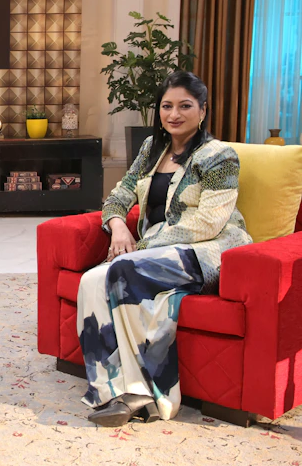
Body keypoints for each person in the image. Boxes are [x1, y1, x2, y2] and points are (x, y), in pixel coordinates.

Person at [77, 71, 251, 427]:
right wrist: (118, 225)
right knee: (92, 281)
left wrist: (139, 246)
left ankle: (145, 393)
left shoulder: (220, 156)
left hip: (205, 250)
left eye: (185, 106)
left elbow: (208, 223)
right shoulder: (151, 149)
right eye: (167, 106)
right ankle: (110, 392)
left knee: (125, 270)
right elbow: (119, 195)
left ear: (203, 111)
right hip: (154, 251)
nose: (174, 114)